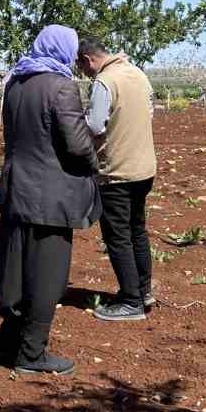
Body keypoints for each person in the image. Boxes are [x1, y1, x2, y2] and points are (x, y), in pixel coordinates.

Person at [0, 24, 100, 374]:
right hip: (49, 198)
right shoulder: (61, 86)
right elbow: (77, 144)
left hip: (16, 191)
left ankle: (8, 341)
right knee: (46, 275)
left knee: (16, 268)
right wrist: (94, 163)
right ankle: (31, 354)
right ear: (64, 50)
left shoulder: (15, 82)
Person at [76, 37, 157, 322]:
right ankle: (143, 291)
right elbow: (149, 112)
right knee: (137, 230)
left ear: (87, 59)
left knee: (118, 237)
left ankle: (131, 301)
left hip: (117, 172)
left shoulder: (104, 81)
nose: (83, 72)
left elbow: (96, 126)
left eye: (81, 66)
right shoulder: (137, 73)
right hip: (144, 167)